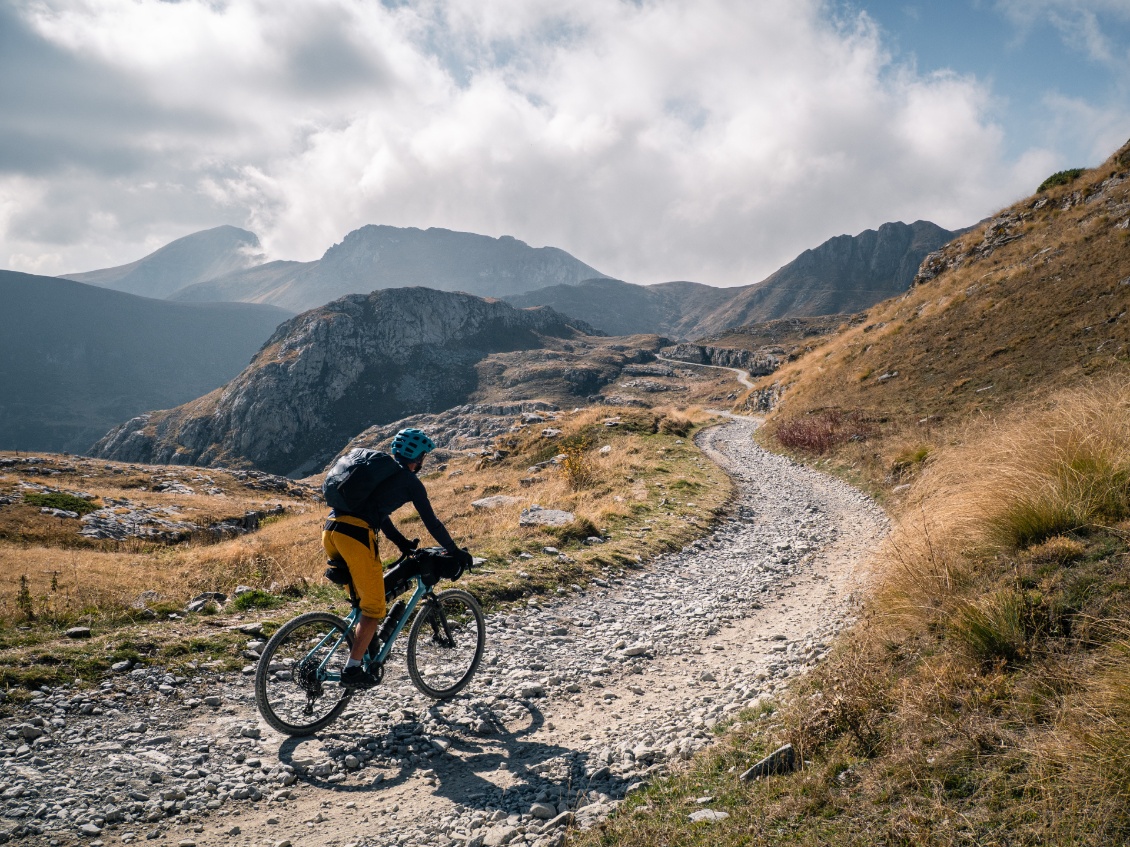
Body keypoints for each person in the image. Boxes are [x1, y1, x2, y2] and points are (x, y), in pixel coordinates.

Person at [322, 427, 472, 690]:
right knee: (374, 608)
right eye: (423, 456)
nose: (423, 461)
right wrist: (455, 550)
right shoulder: (411, 481)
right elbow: (432, 523)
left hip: (332, 530)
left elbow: (379, 514)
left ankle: (368, 648)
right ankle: (352, 669)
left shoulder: (382, 473)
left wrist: (400, 542)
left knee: (362, 603)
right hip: (356, 536)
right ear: (418, 457)